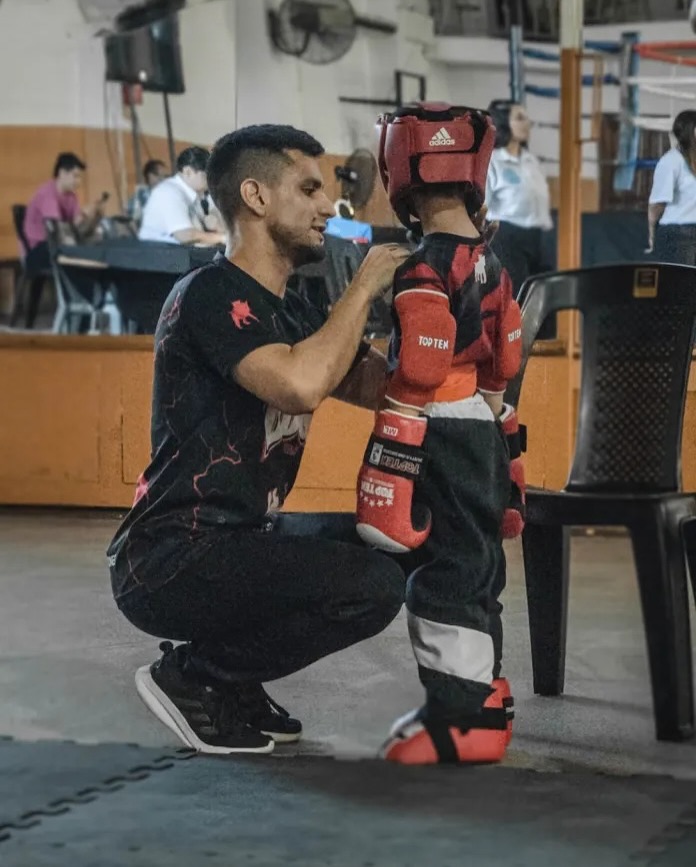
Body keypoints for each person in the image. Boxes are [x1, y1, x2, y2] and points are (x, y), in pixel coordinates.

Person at [106, 124, 409, 755]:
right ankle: (196, 677)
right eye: (308, 188)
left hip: (242, 539)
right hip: (173, 558)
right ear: (256, 196)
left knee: (390, 545)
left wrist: (430, 312)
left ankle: (232, 680)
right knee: (369, 587)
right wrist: (361, 289)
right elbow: (300, 385)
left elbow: (373, 387)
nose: (328, 206)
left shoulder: (290, 309)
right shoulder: (210, 294)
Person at [356, 102, 523, 765]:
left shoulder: (422, 263)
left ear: (399, 172)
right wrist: (506, 456)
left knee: (446, 565)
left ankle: (460, 719)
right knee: (480, 563)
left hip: (439, 431)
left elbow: (420, 368)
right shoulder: (497, 263)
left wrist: (389, 464)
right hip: (480, 426)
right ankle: (483, 694)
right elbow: (503, 366)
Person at [485, 100, 555, 335]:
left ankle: (545, 358)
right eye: (520, 117)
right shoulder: (493, 161)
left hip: (538, 238)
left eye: (527, 117)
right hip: (507, 238)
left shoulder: (530, 161)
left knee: (546, 303)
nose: (527, 123)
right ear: (504, 123)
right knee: (517, 303)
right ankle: (513, 359)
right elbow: (482, 206)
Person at [21, 152, 107, 328]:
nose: (78, 181)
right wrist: (82, 217)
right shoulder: (48, 194)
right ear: (62, 173)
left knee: (86, 254)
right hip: (38, 250)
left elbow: (75, 231)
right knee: (78, 261)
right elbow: (59, 233)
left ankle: (85, 310)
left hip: (56, 245)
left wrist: (92, 217)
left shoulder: (71, 196)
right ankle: (86, 306)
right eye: (75, 176)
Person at [138, 146, 226, 246]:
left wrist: (218, 229)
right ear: (188, 172)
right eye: (206, 176)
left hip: (177, 255)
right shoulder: (169, 192)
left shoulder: (195, 195)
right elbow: (185, 235)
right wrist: (222, 238)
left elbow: (206, 228)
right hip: (157, 255)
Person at [647, 110, 696, 266]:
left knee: (675, 286)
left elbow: (656, 206)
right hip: (679, 236)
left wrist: (652, 233)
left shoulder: (670, 161)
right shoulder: (673, 161)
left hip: (676, 234)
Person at [126, 158, 167, 225]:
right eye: (161, 176)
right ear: (151, 176)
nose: (163, 179)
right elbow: (133, 220)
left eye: (165, 176)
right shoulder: (140, 196)